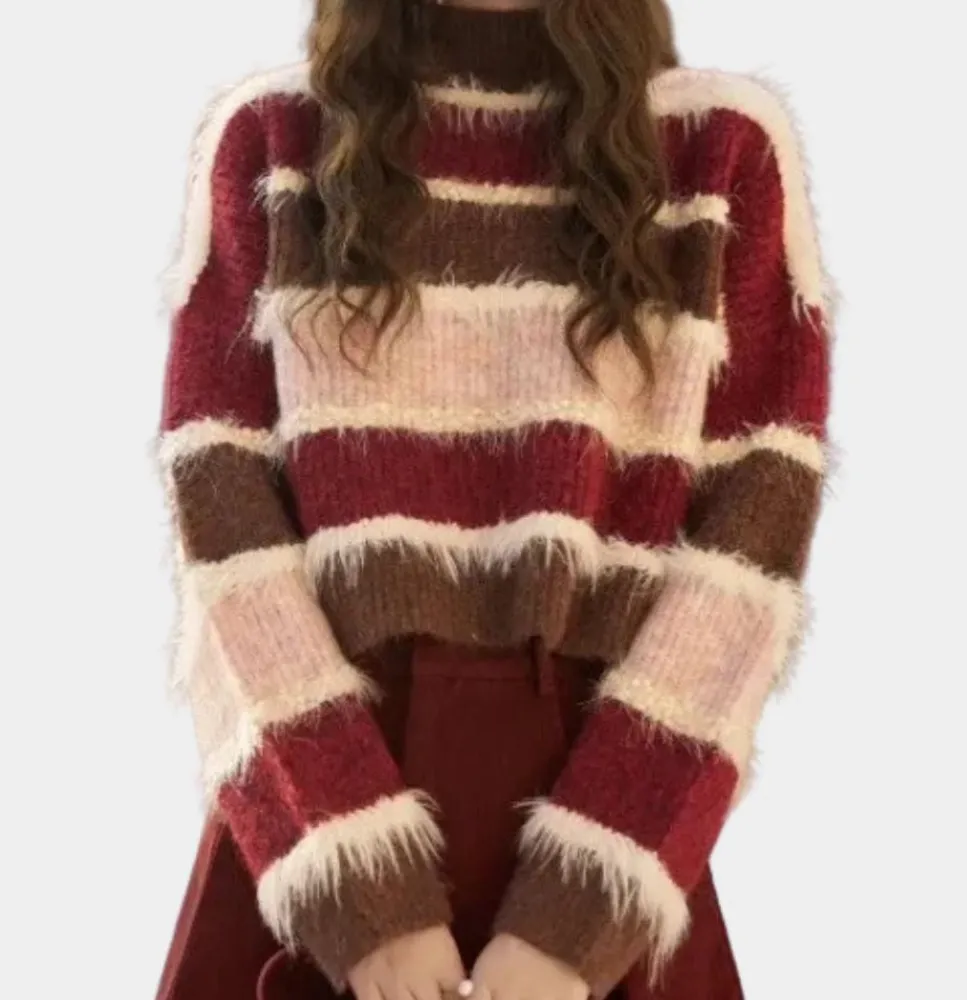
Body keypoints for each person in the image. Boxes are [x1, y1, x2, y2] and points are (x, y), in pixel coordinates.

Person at [154, 2, 833, 999]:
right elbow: (224, 528)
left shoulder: (716, 151)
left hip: (606, 790)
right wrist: (358, 884)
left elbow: (747, 549)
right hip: (323, 796)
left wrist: (579, 913)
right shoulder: (276, 142)